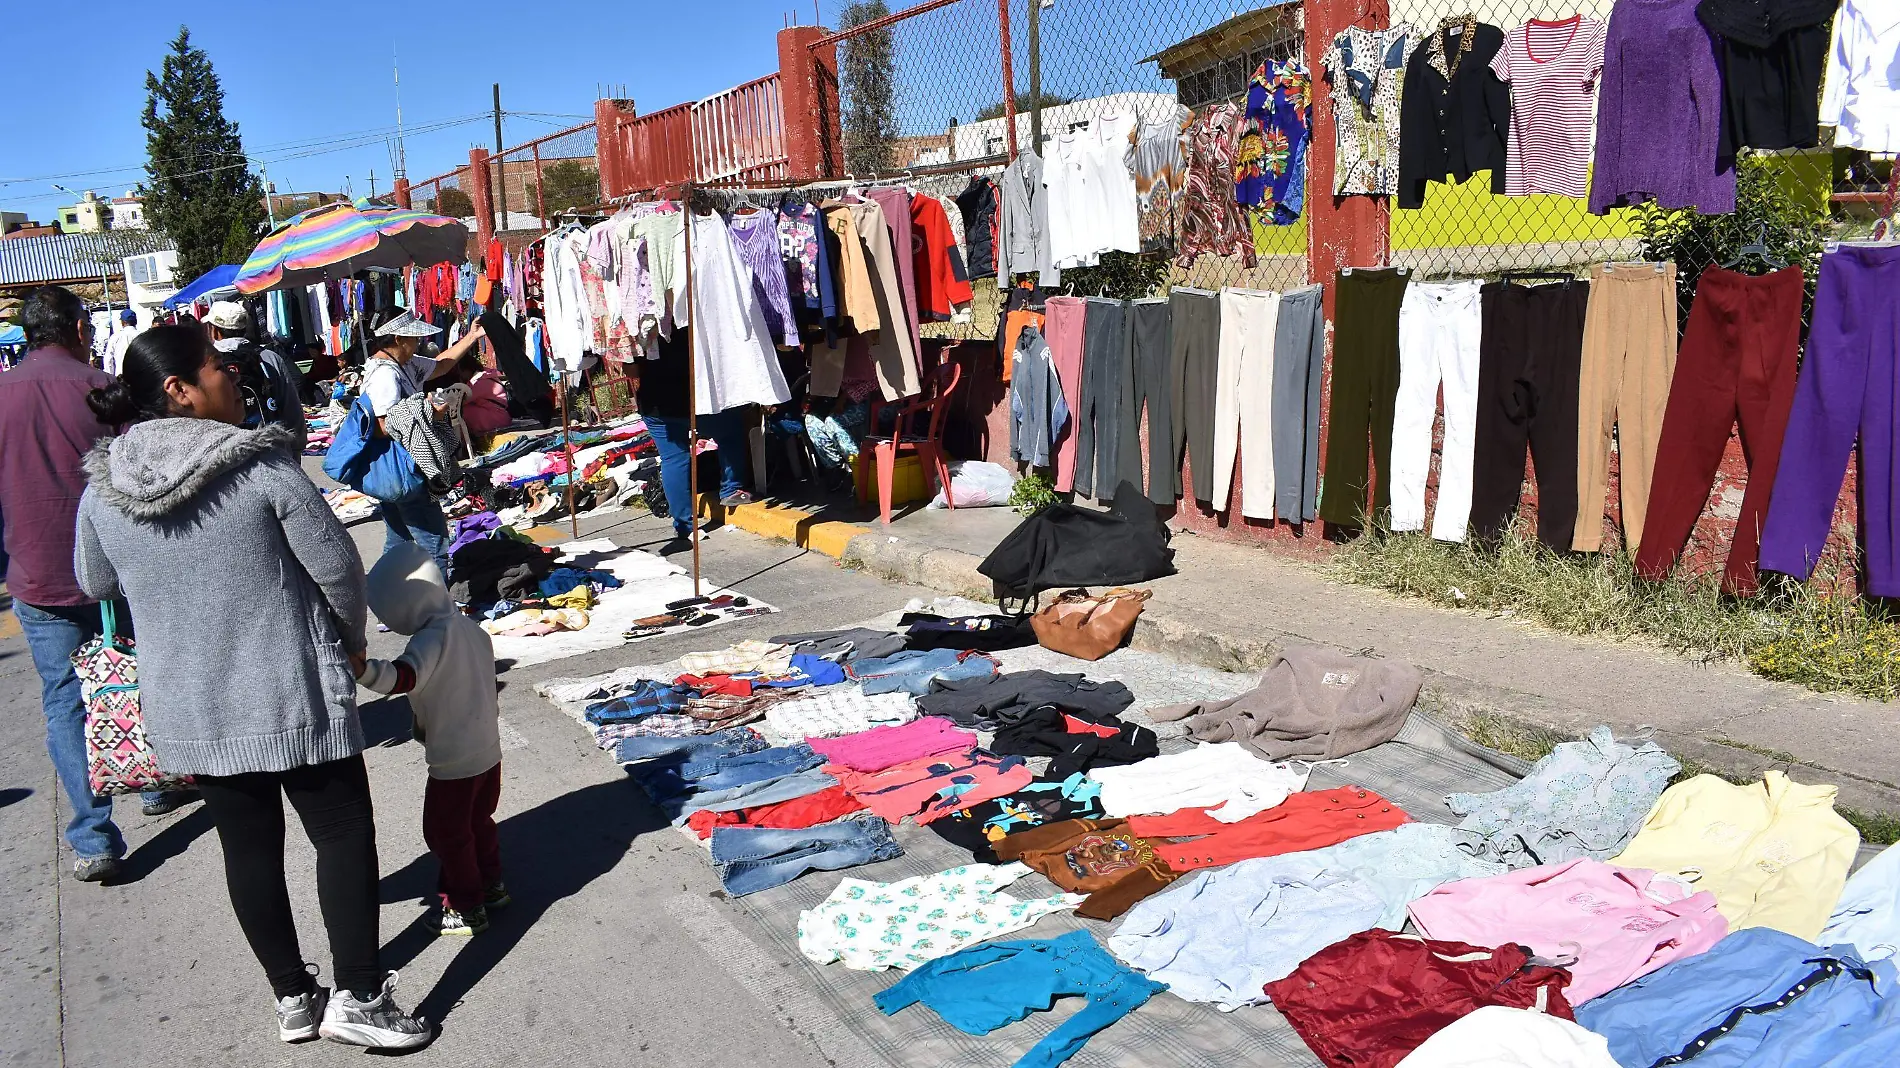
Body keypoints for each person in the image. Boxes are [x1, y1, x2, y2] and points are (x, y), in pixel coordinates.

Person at [73, 325, 431, 1049]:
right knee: (340, 834)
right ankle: (359, 995)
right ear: (178, 390)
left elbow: (96, 581)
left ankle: (294, 998)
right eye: (218, 369)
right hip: (290, 686)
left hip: (190, 701)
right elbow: (336, 568)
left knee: (249, 849)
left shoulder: (103, 491)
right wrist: (353, 639)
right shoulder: (262, 467)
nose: (235, 378)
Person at [0, 287, 189, 885]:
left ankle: (92, 836)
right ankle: (155, 781)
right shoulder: (102, 390)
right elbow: (145, 468)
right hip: (119, 565)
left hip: (36, 573)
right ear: (80, 328)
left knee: (66, 701)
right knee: (142, 674)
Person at [354, 543, 507, 937]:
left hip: (453, 759)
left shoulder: (429, 640)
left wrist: (361, 670)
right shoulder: (471, 629)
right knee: (479, 820)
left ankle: (465, 905)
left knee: (446, 834)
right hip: (488, 749)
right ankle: (492, 883)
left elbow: (403, 678)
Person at [361, 307, 484, 573]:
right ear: (398, 340)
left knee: (399, 541)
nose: (418, 343)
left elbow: (442, 365)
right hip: (405, 467)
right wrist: (429, 413)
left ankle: (390, 601)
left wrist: (472, 337)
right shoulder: (385, 375)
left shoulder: (404, 364)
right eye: (413, 338)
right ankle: (441, 610)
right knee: (434, 543)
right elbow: (382, 426)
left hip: (397, 468)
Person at [635, 328, 757, 556]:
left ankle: (685, 525)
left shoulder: (641, 324)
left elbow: (630, 368)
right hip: (695, 401)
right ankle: (731, 489)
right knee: (730, 433)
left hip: (655, 403)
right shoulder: (694, 319)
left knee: (674, 458)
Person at [204, 301, 308, 451]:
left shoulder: (206, 364)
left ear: (214, 331)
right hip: (271, 449)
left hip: (227, 452)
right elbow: (292, 409)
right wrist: (295, 449)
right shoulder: (268, 357)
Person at [102, 308, 140, 377]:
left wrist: (110, 377)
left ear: (123, 322)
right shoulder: (141, 336)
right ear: (136, 321)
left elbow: (108, 359)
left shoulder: (115, 337)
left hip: (120, 377)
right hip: (139, 376)